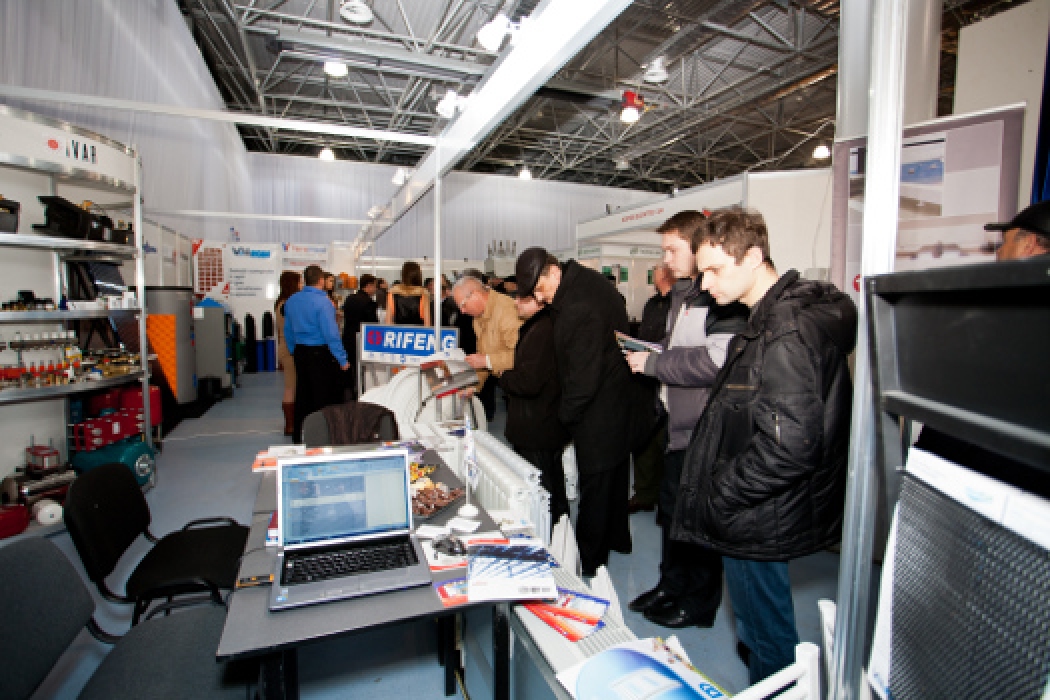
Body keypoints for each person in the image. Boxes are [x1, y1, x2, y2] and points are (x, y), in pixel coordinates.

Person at [672, 206, 857, 683]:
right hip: (758, 506)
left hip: (756, 511)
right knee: (760, 630)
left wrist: (722, 494)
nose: (705, 284)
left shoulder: (785, 331)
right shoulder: (768, 319)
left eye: (715, 270)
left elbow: (790, 445)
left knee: (766, 637)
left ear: (754, 257)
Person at [625, 212, 750, 630]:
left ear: (698, 248)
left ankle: (698, 603)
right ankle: (671, 586)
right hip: (676, 424)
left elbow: (716, 361)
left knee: (697, 521)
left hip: (703, 428)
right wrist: (650, 351)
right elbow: (679, 345)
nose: (666, 259)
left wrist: (656, 364)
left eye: (672, 250)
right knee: (672, 514)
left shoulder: (721, 299)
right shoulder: (684, 294)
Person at [516, 247, 633, 577]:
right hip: (617, 397)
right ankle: (618, 539)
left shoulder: (577, 306)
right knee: (614, 477)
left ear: (554, 272)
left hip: (599, 407)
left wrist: (564, 418)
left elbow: (582, 378)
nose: (540, 299)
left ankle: (588, 561)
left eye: (540, 289)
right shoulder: (586, 281)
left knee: (595, 484)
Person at [499, 294, 570, 526]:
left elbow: (529, 382)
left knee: (542, 494)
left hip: (536, 425)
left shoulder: (541, 331)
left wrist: (504, 376)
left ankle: (548, 536)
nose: (515, 302)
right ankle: (559, 533)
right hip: (544, 422)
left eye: (522, 298)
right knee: (553, 487)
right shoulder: (544, 325)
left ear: (538, 300)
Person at [283, 265, 352, 443]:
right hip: (320, 353)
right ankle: (322, 436)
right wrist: (342, 359)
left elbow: (287, 330)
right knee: (322, 396)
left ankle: (300, 435)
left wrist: (293, 349)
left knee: (302, 394)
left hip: (300, 352)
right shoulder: (324, 302)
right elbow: (331, 334)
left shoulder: (291, 301)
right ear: (321, 280)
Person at [627, 263, 674, 515]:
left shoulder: (679, 304)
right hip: (645, 379)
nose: (653, 274)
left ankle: (664, 502)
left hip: (668, 377)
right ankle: (644, 494)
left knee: (666, 443)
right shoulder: (651, 304)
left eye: (656, 269)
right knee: (643, 439)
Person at [452, 276, 521, 420]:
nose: (462, 311)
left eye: (463, 305)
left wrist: (486, 360)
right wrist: (472, 385)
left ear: (476, 295)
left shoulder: (507, 310)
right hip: (510, 385)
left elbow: (522, 355)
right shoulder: (479, 317)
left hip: (526, 388)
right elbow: (482, 356)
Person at [341, 274, 379, 399]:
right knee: (360, 370)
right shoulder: (369, 303)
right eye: (374, 286)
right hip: (362, 340)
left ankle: (350, 393)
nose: (375, 289)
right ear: (368, 286)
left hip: (348, 338)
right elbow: (373, 325)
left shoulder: (349, 298)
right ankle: (360, 393)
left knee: (349, 368)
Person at [275, 270, 303, 436]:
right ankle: (290, 425)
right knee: (291, 387)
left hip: (285, 347)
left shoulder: (281, 303)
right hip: (289, 349)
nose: (301, 285)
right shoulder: (286, 305)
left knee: (291, 386)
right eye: (299, 282)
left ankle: (291, 423)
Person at [387, 261, 431, 325]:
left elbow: (388, 321)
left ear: (403, 275)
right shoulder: (423, 294)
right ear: (418, 275)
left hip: (398, 330)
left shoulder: (393, 293)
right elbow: (427, 324)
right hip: (418, 330)